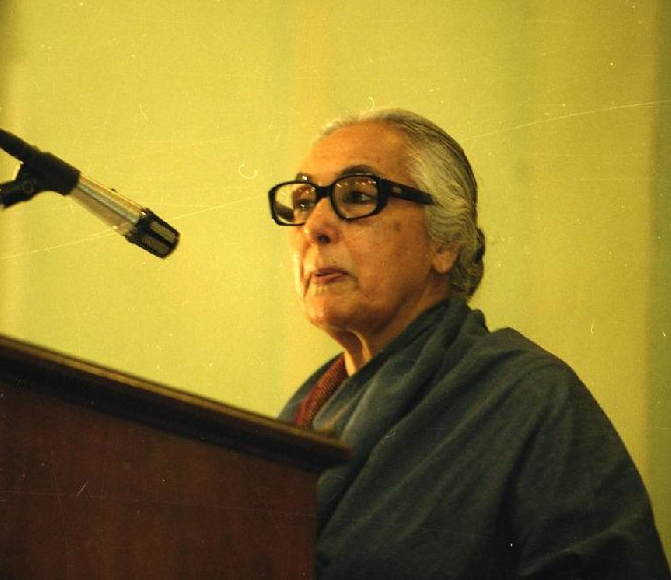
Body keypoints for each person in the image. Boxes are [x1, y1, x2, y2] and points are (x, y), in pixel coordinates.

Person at [269, 109, 670, 579]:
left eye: (357, 196)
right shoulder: (310, 410)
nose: (314, 226)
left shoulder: (527, 401)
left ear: (445, 243)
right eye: (302, 201)